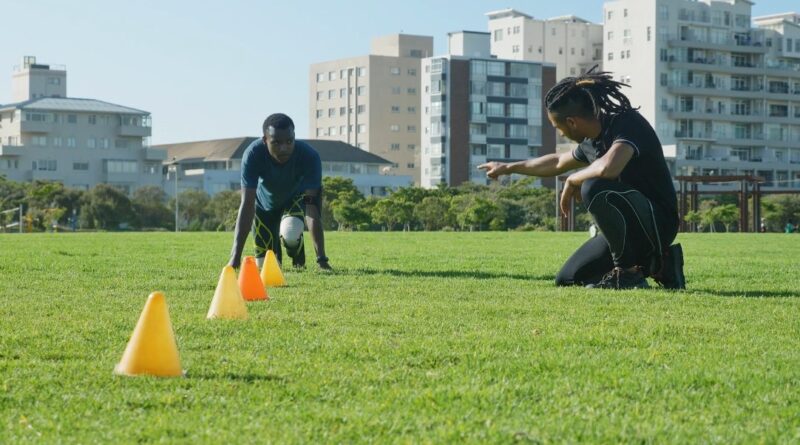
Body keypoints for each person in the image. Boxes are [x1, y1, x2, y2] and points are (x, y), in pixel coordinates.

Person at [479, 69, 684, 289]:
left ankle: (628, 273)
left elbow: (609, 167)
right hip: (625, 232)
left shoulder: (627, 123)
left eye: (558, 127)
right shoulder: (590, 143)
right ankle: (661, 265)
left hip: (658, 222)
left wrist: (573, 179)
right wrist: (507, 168)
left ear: (572, 122)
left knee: (594, 186)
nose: (559, 133)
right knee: (568, 279)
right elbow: (557, 162)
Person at [228, 113, 332, 271]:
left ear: (294, 137)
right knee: (267, 268)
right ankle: (275, 249)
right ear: (265, 140)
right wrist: (234, 259)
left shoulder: (310, 157)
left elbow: (312, 208)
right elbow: (247, 204)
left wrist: (322, 260)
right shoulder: (252, 155)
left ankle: (296, 249)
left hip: (294, 201)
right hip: (263, 207)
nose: (284, 148)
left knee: (290, 233)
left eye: (289, 141)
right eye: (276, 143)